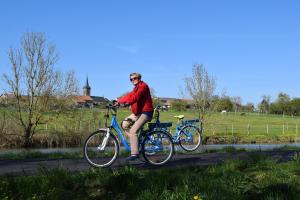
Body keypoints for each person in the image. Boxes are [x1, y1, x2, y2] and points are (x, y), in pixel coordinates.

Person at [114, 72, 154, 161]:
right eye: (131, 79)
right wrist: (119, 101)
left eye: (134, 78)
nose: (133, 80)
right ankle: (135, 141)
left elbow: (136, 97)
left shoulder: (143, 86)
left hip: (146, 113)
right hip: (138, 113)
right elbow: (129, 95)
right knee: (124, 124)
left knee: (133, 130)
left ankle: (135, 153)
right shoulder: (135, 88)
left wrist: (127, 103)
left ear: (139, 78)